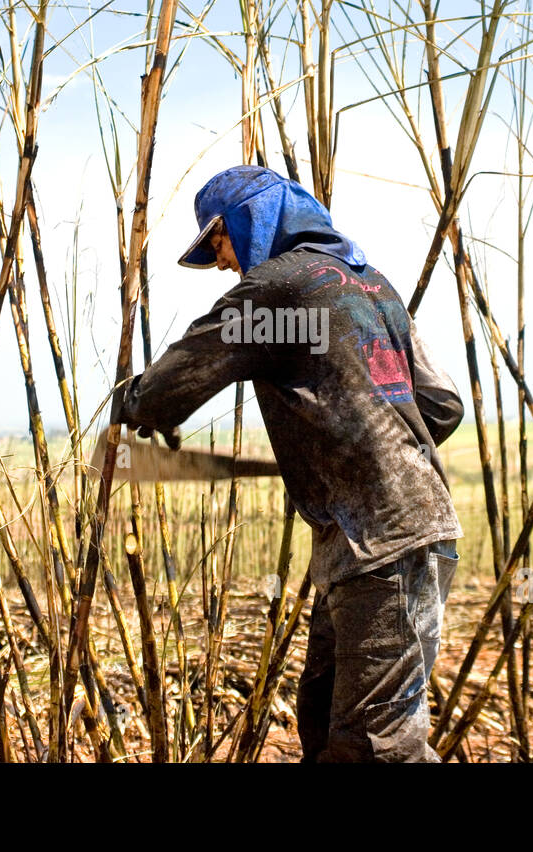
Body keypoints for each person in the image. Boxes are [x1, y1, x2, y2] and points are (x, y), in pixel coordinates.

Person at [117, 165, 464, 762]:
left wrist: (130, 401)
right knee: (328, 733)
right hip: (375, 540)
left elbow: (168, 390)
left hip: (385, 541)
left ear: (249, 221)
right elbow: (441, 405)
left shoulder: (282, 289)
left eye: (218, 241)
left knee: (380, 750)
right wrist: (355, 439)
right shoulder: (372, 285)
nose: (222, 262)